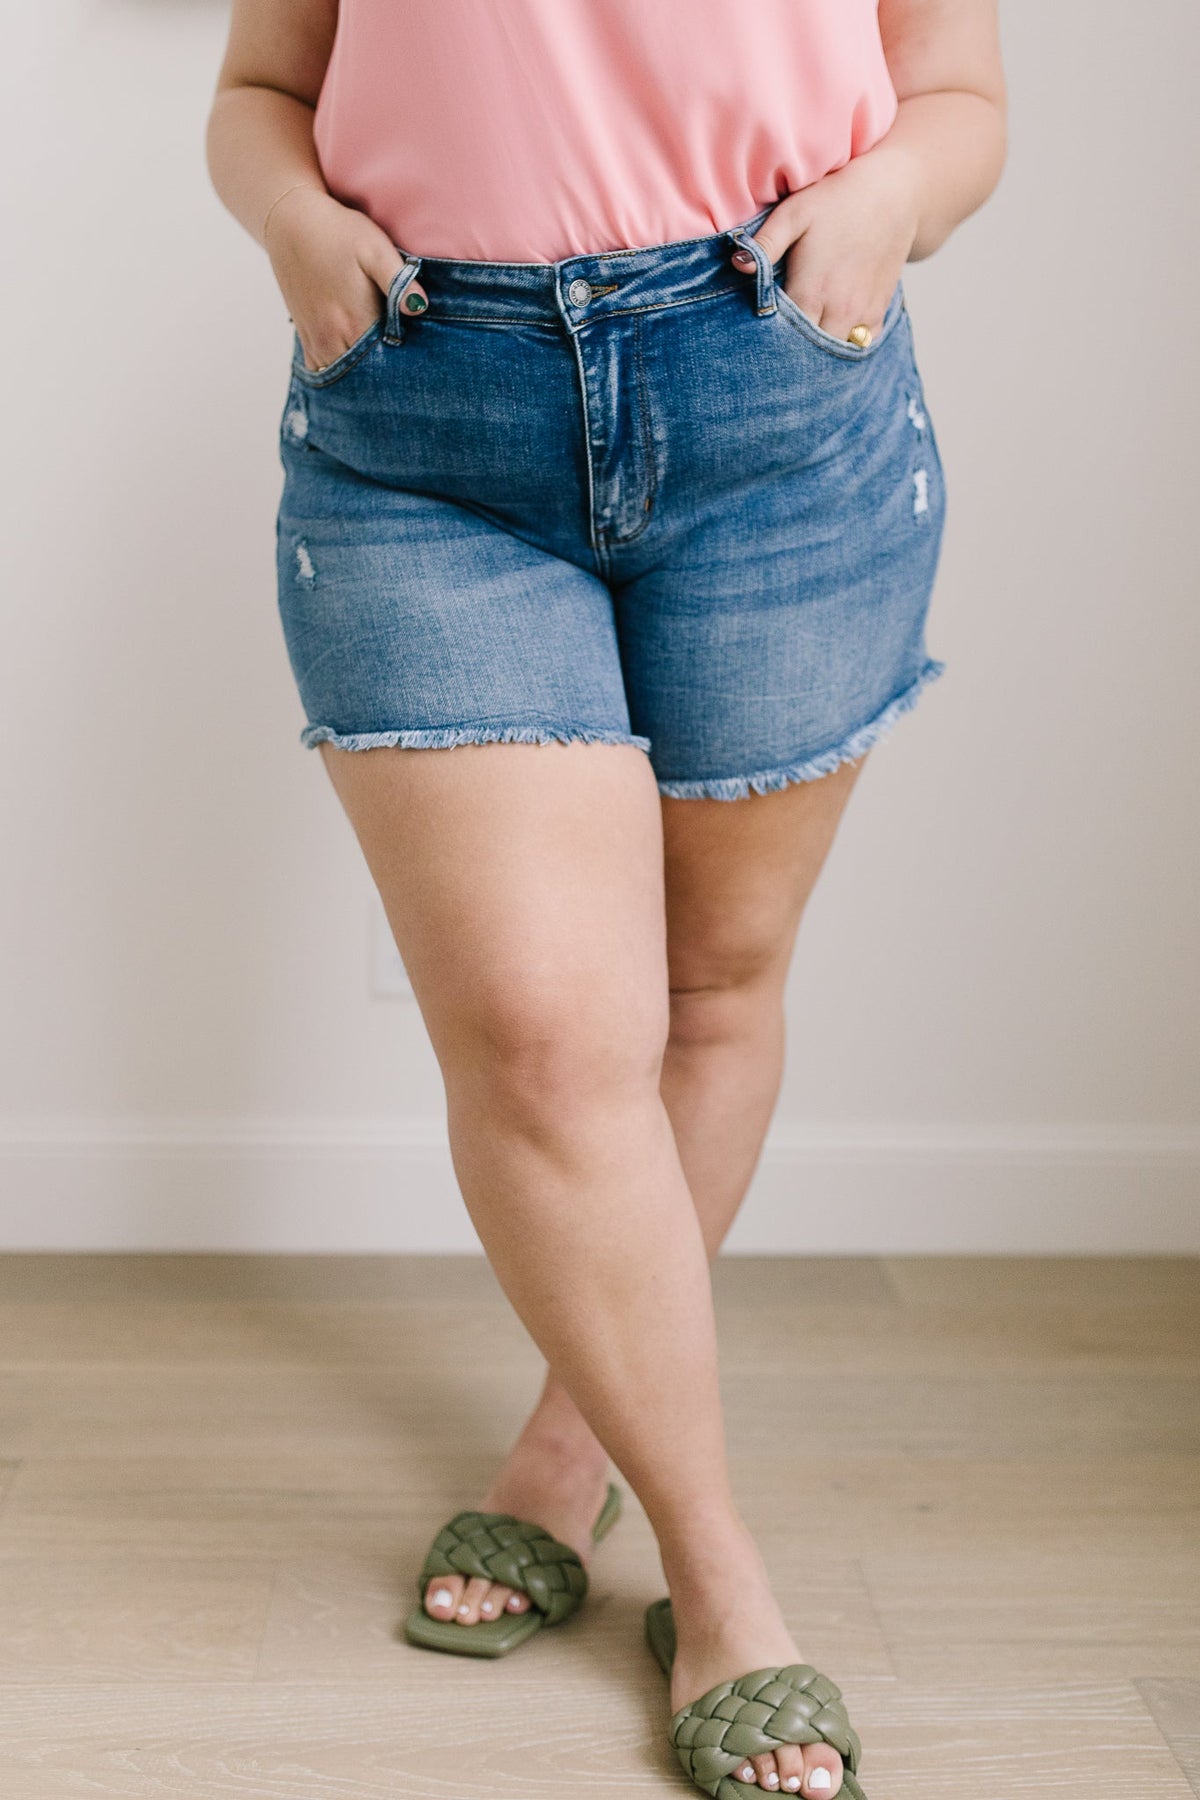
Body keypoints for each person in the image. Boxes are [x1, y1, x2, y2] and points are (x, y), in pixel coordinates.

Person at [206, 4, 1006, 1793]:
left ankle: (569, 1453)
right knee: (544, 1034)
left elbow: (961, 99)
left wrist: (886, 205)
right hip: (424, 412)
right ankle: (723, 1589)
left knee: (714, 984)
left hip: (779, 393)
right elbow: (260, 93)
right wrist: (294, 223)